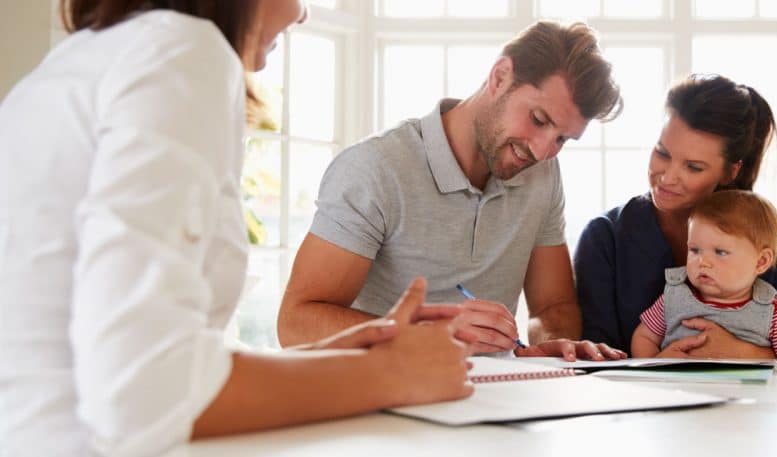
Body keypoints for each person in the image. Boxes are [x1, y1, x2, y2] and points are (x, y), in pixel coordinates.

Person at [0, 1, 473, 455]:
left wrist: (332, 359)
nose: (302, 11)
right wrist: (390, 375)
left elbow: (107, 360)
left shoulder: (78, 61)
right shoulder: (181, 50)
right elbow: (142, 393)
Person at [277, 21, 627, 361]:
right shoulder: (376, 168)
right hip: (381, 397)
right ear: (500, 76)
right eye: (538, 119)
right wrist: (427, 334)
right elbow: (296, 323)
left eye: (562, 139)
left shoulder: (543, 175)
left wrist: (550, 345)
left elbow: (553, 306)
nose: (542, 150)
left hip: (493, 399)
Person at [575, 73, 777, 359]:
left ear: (730, 171)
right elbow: (595, 361)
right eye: (662, 153)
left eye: (694, 167)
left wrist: (743, 352)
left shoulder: (771, 233)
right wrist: (657, 366)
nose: (668, 177)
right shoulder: (606, 238)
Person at [631, 190, 777, 358]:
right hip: (678, 389)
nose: (703, 262)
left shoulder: (772, 311)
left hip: (745, 392)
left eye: (720, 252)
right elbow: (644, 337)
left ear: (761, 261)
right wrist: (656, 364)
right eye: (695, 250)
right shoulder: (675, 295)